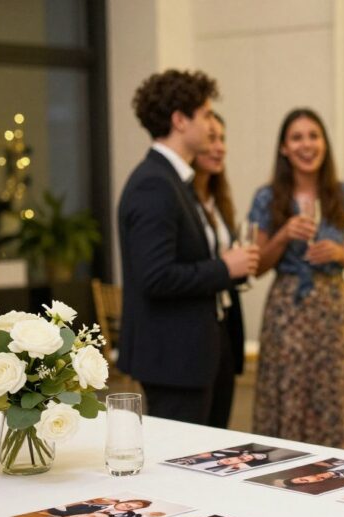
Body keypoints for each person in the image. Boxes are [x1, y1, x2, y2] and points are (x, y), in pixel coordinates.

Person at [118, 69, 258, 425]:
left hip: (192, 355)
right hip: (174, 359)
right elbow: (157, 276)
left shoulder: (174, 181)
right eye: (207, 115)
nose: (213, 127)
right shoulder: (155, 184)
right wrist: (225, 268)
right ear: (180, 120)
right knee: (179, 469)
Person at [249, 108, 344, 448]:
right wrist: (283, 235)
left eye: (313, 136)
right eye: (297, 137)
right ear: (284, 147)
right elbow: (256, 266)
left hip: (333, 307)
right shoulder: (267, 197)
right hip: (288, 310)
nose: (306, 144)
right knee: (288, 390)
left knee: (332, 393)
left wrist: (342, 255)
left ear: (325, 144)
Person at [191, 112, 246, 429]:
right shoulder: (183, 198)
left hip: (223, 323)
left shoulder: (218, 199)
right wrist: (227, 265)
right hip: (197, 328)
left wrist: (239, 266)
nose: (220, 147)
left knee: (219, 427)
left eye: (223, 139)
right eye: (212, 138)